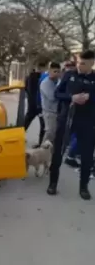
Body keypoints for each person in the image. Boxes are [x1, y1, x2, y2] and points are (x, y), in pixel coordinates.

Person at [47, 50, 95, 200]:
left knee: (87, 155)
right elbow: (57, 94)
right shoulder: (69, 75)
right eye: (79, 62)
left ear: (92, 63)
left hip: (87, 122)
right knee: (58, 152)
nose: (80, 66)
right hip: (67, 119)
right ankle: (52, 183)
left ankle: (84, 187)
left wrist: (90, 97)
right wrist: (71, 97)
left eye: (83, 63)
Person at [25, 63, 47, 147]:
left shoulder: (29, 77)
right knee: (43, 125)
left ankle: (16, 138)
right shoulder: (43, 78)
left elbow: (26, 90)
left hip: (32, 105)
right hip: (39, 105)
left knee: (26, 122)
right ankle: (41, 143)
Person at [40, 62, 61, 143]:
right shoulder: (46, 83)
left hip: (56, 112)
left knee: (54, 134)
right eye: (54, 71)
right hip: (49, 112)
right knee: (50, 133)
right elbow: (52, 97)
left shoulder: (57, 81)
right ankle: (43, 151)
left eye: (58, 72)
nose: (56, 74)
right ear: (49, 71)